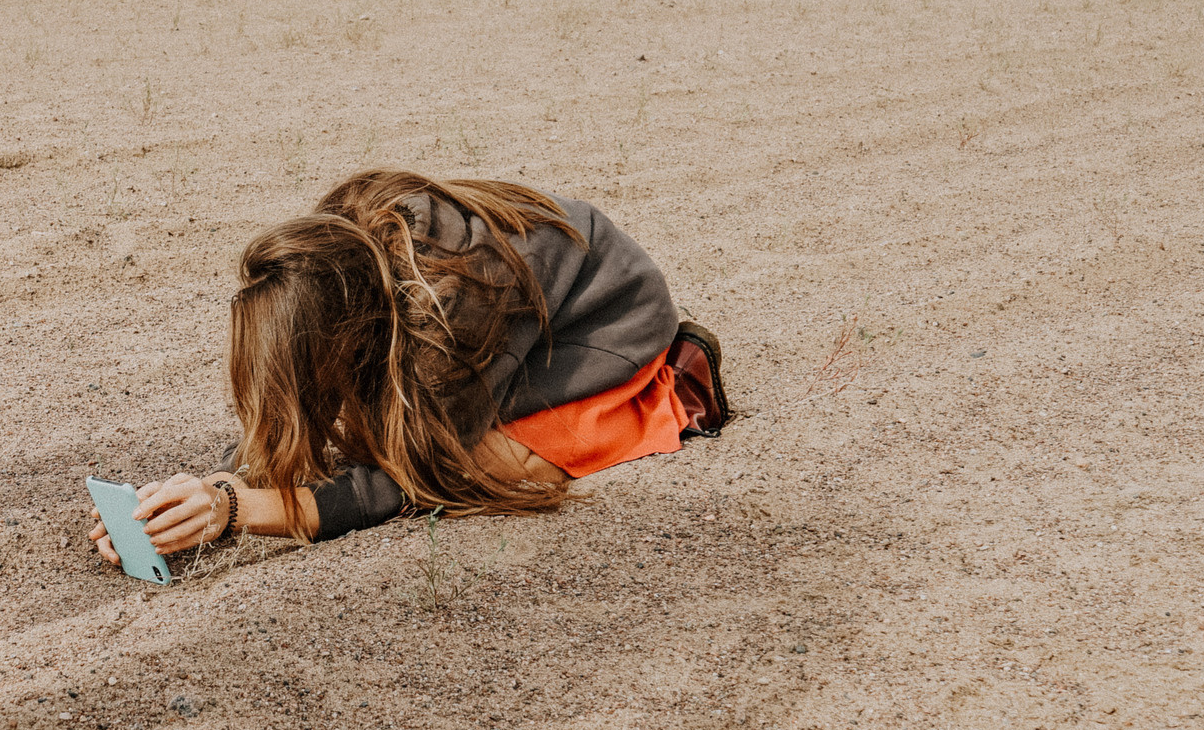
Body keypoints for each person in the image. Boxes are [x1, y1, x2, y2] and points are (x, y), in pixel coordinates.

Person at [92, 169, 731, 564]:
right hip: (507, 321)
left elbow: (408, 478)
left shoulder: (449, 309)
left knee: (492, 468)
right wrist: (192, 494)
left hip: (601, 317)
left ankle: (673, 376)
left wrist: (235, 508)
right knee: (379, 432)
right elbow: (291, 399)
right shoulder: (334, 263)